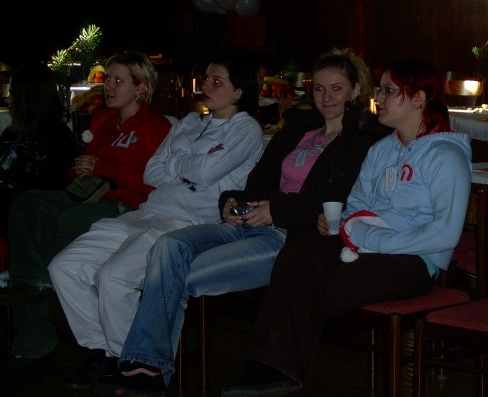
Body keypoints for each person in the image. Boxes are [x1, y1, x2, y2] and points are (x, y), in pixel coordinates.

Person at [100, 48, 390, 394]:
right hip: (246, 223)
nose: (326, 97)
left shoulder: (363, 142)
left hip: (287, 237)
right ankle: (146, 365)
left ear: (355, 90)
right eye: (318, 88)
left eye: (336, 88)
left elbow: (338, 200)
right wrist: (230, 199)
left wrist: (276, 210)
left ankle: (145, 369)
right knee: (170, 246)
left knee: (173, 274)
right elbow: (257, 183)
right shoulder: (297, 131)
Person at [220, 58, 472, 396]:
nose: (378, 98)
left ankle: (272, 370)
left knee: (309, 289)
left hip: (413, 259)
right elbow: (355, 204)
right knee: (302, 250)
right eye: (380, 90)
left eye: (388, 91)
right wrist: (338, 223)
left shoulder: (445, 155)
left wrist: (370, 237)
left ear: (418, 99)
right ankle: (274, 371)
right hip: (360, 246)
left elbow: (445, 234)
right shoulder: (381, 150)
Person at [48, 57, 264, 389]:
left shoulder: (245, 129)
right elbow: (152, 172)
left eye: (217, 81)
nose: (206, 86)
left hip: (187, 221)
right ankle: (110, 353)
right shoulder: (189, 121)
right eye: (205, 78)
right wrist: (188, 169)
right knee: (64, 267)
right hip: (147, 213)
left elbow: (204, 173)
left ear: (239, 91)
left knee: (113, 277)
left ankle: (133, 369)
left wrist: (176, 165)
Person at [0, 52, 172, 368]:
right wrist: (79, 169)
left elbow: (152, 183)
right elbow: (79, 170)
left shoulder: (156, 127)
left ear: (141, 88)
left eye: (118, 80)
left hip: (126, 205)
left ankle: (43, 317)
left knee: (58, 229)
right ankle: (34, 291)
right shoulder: (103, 120)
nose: (109, 86)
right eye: (108, 79)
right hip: (88, 196)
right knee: (28, 203)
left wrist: (102, 166)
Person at [0, 64, 78, 233]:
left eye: (12, 94)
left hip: (22, 224)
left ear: (28, 99)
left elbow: (43, 195)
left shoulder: (58, 140)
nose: (7, 100)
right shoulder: (11, 134)